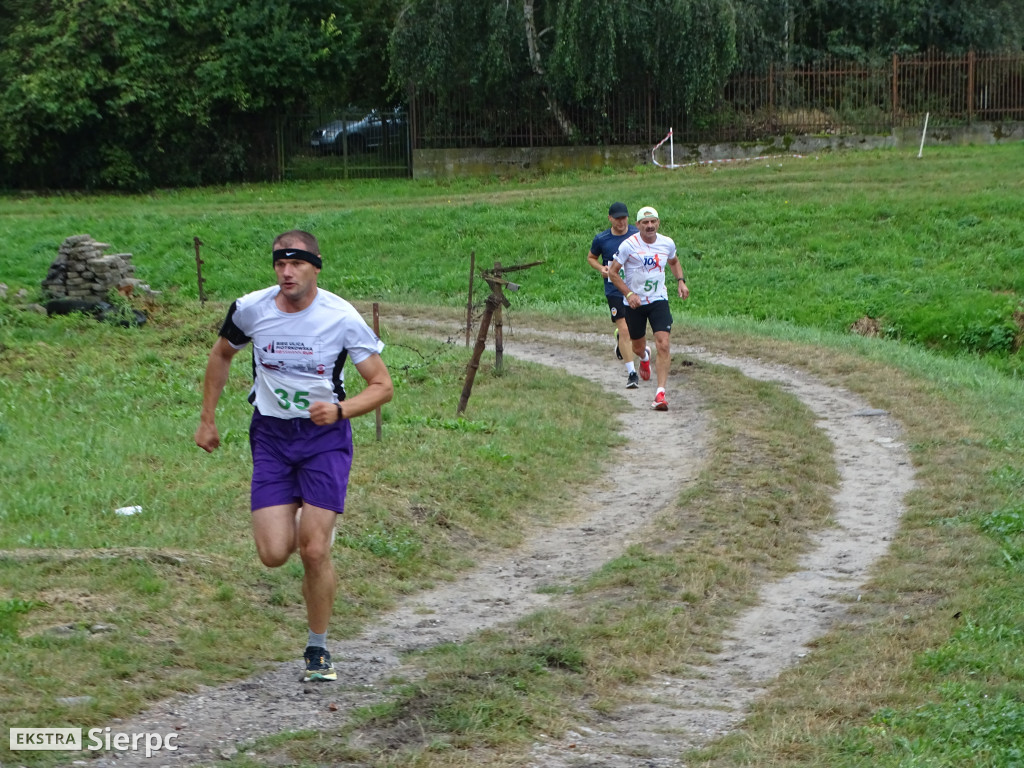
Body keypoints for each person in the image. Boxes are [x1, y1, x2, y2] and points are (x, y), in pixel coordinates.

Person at [194, 229, 394, 682]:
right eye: (279, 263)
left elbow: (383, 386)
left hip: (324, 437)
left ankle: (317, 648)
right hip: (271, 437)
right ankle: (310, 533)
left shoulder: (341, 317)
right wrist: (207, 418)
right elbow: (221, 354)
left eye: (297, 263)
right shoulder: (251, 309)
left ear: (315, 266)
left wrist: (340, 409)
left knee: (313, 549)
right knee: (273, 553)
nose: (286, 272)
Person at [607, 206, 689, 411]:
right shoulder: (628, 246)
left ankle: (660, 393)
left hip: (658, 300)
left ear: (658, 223)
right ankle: (644, 356)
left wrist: (680, 281)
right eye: (645, 223)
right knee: (636, 346)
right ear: (638, 225)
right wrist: (628, 294)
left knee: (663, 343)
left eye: (653, 222)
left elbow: (674, 261)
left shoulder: (667, 243)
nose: (650, 226)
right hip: (634, 304)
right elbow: (613, 274)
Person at [586, 202, 651, 388]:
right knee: (624, 330)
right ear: (610, 219)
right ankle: (632, 374)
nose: (621, 222)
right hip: (614, 289)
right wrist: (601, 268)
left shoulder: (636, 235)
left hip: (636, 288)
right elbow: (591, 257)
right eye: (617, 219)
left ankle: (639, 353)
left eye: (624, 218)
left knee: (634, 333)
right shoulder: (602, 239)